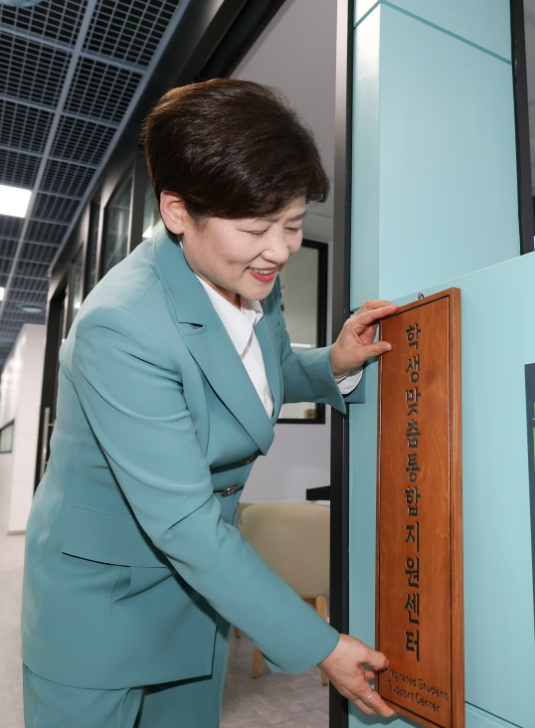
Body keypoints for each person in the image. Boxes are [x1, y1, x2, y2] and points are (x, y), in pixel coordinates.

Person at [22, 79, 397, 727]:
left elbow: (261, 376)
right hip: (103, 606)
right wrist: (322, 645)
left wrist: (332, 364)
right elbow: (183, 522)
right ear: (176, 211)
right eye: (256, 228)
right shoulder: (123, 326)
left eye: (292, 224)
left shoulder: (251, 279)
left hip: (198, 591)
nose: (279, 249)